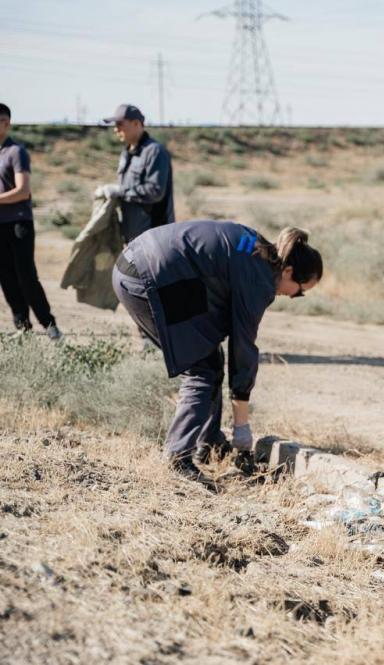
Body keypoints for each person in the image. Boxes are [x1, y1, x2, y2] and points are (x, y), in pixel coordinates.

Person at [111, 221, 323, 484]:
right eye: (300, 292)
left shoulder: (257, 248)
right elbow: (243, 348)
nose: (294, 296)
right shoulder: (259, 279)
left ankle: (209, 442)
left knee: (209, 357)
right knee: (201, 371)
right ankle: (177, 457)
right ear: (289, 271)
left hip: (137, 264)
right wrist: (242, 429)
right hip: (147, 277)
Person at [0, 103, 61, 340]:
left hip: (19, 223)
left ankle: (50, 326)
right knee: (6, 277)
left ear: (6, 123)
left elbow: (23, 191)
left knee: (26, 276)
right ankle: (22, 328)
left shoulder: (16, 152)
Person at [96, 104, 174, 243]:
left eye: (120, 124)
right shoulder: (127, 153)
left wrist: (121, 191)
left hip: (154, 239)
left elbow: (155, 191)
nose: (115, 129)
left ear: (136, 123)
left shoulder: (154, 152)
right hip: (133, 237)